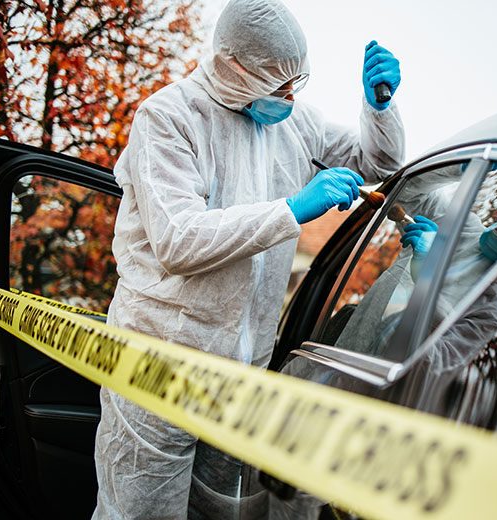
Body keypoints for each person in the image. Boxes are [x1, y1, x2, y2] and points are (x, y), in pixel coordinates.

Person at [92, 0, 405, 518]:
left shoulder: (295, 123)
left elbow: (381, 164)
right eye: (277, 83)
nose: (288, 96)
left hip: (243, 373)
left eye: (295, 82)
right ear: (231, 67)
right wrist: (292, 210)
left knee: (219, 512)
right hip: (157, 364)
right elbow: (178, 240)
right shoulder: (168, 118)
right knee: (140, 512)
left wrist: (379, 107)